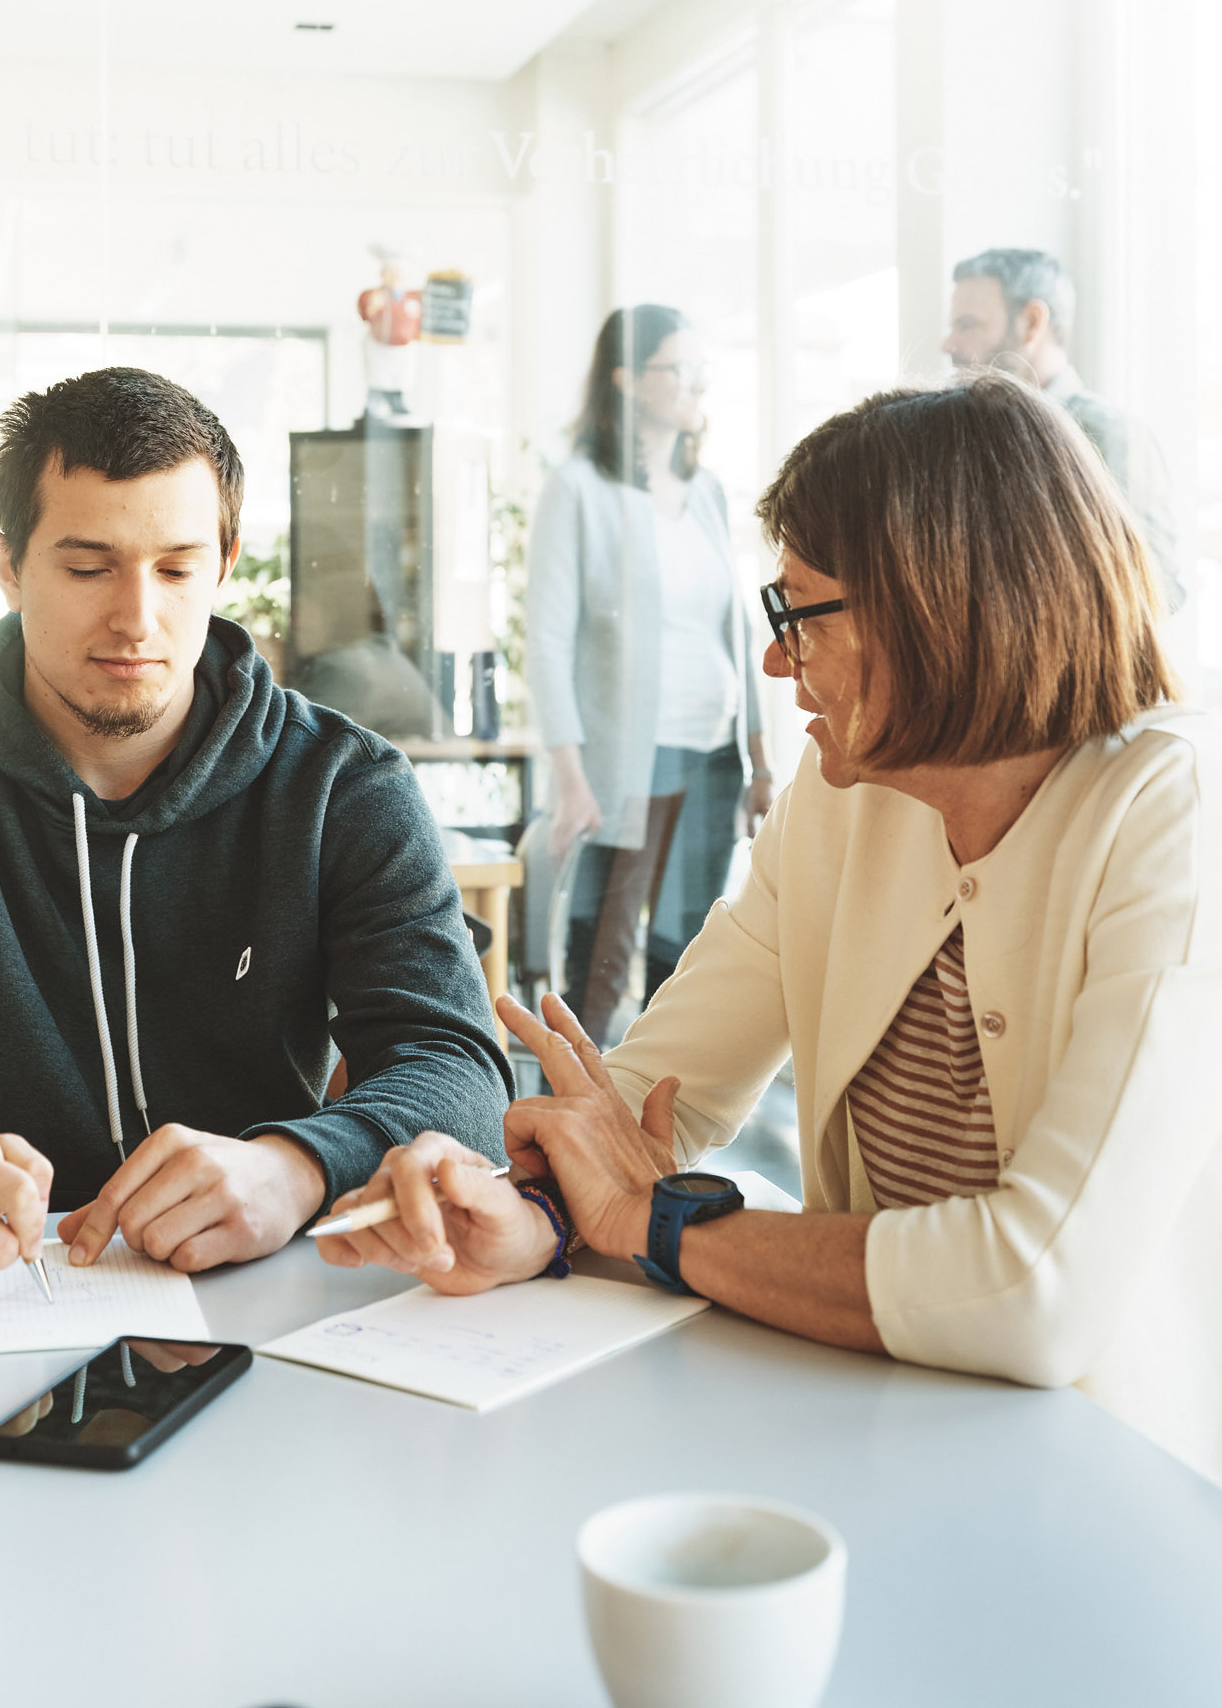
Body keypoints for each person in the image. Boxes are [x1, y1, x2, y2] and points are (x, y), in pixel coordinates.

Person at [320, 374, 1222, 1484]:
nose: (774, 661)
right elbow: (659, 1096)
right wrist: (535, 1210)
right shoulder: (845, 792)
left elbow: (1033, 1285)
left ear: (939, 604)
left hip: (1106, 1476)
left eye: (799, 613)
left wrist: (661, 1224)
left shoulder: (1177, 810)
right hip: (871, 1431)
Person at [0, 368, 511, 1298]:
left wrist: (300, 1166)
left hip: (283, 1287)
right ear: (8, 567)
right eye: (88, 568)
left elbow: (456, 1066)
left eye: (176, 569)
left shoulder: (343, 785)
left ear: (224, 563)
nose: (138, 619)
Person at [525, 306, 771, 1043]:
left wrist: (760, 755)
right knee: (604, 956)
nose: (698, 385)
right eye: (680, 369)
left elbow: (738, 624)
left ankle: (658, 1124)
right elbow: (547, 642)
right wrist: (572, 779)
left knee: (690, 954)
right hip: (627, 761)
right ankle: (571, 1121)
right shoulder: (579, 489)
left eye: (703, 370)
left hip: (711, 751)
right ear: (627, 379)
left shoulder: (707, 492)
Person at [943, 247, 1182, 608]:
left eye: (968, 325)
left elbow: (1155, 590)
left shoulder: (1110, 436)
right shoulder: (960, 435)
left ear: (1032, 323)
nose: (949, 344)